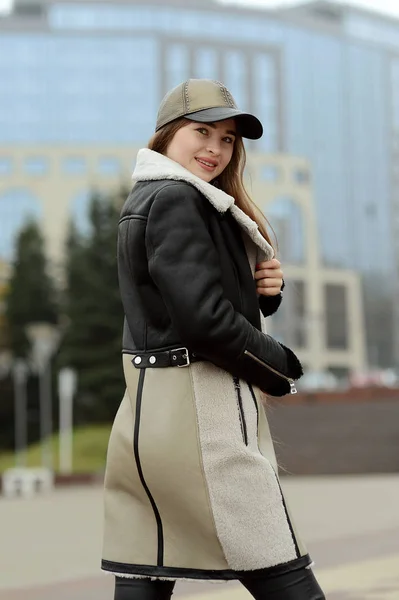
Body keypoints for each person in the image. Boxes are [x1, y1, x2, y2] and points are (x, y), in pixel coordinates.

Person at [102, 79, 325, 600]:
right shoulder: (180, 199)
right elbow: (202, 319)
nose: (215, 149)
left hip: (146, 413)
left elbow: (172, 303)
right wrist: (281, 365)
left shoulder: (151, 197)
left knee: (147, 564)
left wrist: (262, 291)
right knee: (278, 563)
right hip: (203, 411)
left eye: (227, 140)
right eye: (202, 132)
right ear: (167, 134)